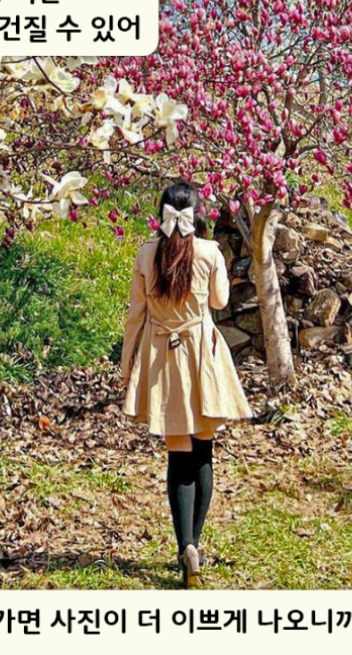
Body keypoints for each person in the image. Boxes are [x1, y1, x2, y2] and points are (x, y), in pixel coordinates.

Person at [121, 182, 252, 587]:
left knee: (177, 455)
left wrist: (128, 365)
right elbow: (219, 303)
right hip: (203, 356)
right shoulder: (210, 253)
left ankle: (186, 547)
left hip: (164, 355)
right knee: (203, 450)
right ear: (197, 215)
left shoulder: (146, 253)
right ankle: (194, 544)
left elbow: (135, 315)